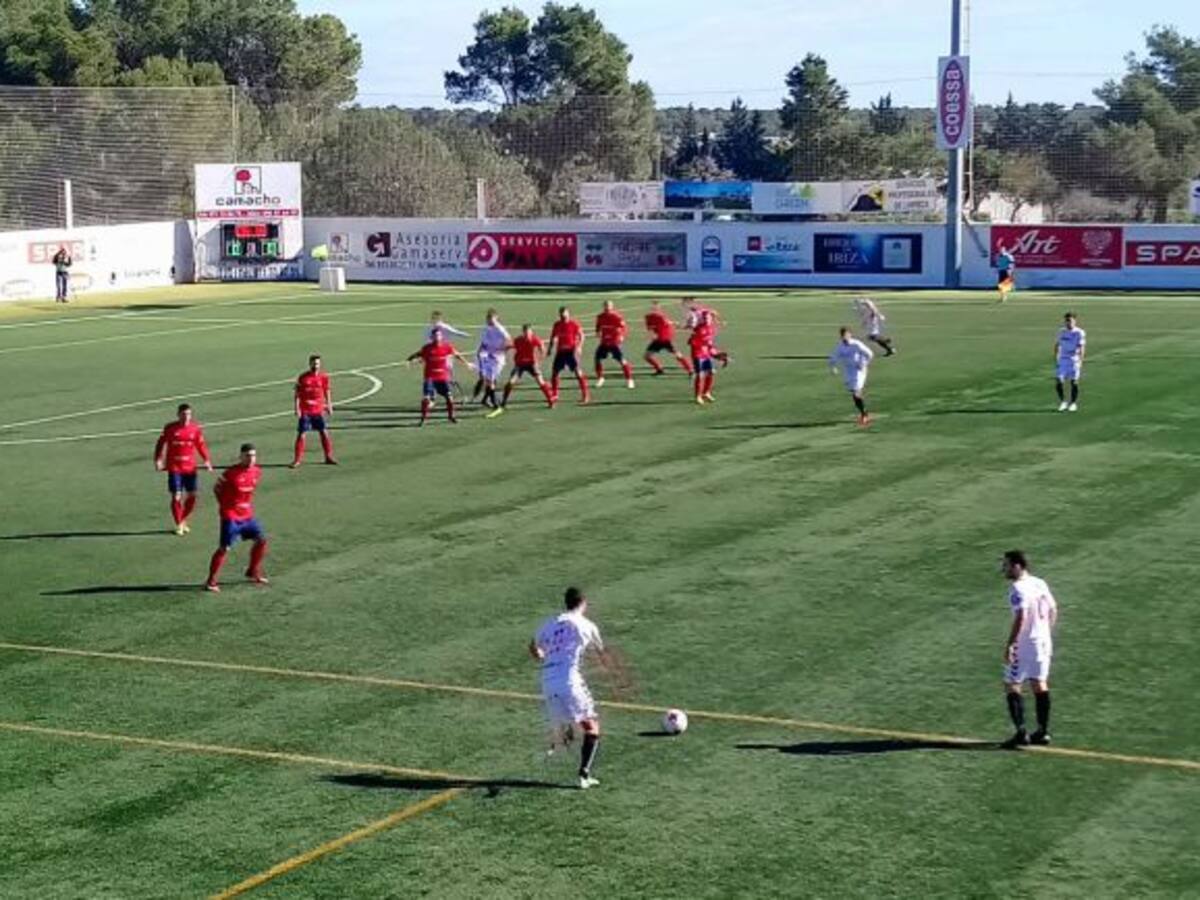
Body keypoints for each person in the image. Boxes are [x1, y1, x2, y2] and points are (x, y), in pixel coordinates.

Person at [529, 587, 612, 790]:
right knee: (593, 728)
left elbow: (533, 645)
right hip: (570, 681)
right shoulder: (587, 625)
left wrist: (540, 654)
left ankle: (560, 738)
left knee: (573, 724)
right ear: (583, 603)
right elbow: (602, 653)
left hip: (548, 681)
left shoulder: (551, 623)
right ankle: (584, 774)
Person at [1000, 550, 1058, 747]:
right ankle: (1042, 732)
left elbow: (1021, 617)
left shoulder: (1018, 588)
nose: (1003, 569)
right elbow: (1053, 609)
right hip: (1043, 642)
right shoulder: (1039, 582)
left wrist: (1010, 644)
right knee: (1039, 683)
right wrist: (1045, 632)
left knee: (1012, 684)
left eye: (1006, 565)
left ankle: (1021, 732)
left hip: (1025, 644)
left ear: (1018, 566)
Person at [206, 443, 268, 592]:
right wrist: (225, 506)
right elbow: (217, 489)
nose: (251, 459)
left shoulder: (257, 472)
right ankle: (211, 581)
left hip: (247, 515)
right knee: (224, 548)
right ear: (241, 456)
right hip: (231, 516)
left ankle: (252, 571)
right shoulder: (230, 473)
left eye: (253, 455)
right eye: (248, 456)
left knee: (262, 540)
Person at [153, 403, 213, 536]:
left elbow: (201, 445)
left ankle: (183, 519)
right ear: (178, 415)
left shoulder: (195, 428)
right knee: (177, 496)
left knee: (192, 495)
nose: (186, 417)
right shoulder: (170, 428)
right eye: (184, 414)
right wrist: (158, 459)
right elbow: (160, 444)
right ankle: (179, 523)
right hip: (174, 467)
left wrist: (207, 460)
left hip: (190, 468)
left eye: (189, 414)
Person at [406, 328, 474, 425]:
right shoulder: (427, 348)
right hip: (430, 377)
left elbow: (457, 354)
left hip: (442, 376)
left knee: (449, 397)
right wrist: (409, 360)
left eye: (439, 335)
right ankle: (423, 419)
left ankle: (451, 417)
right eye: (435, 335)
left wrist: (467, 363)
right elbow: (417, 354)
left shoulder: (447, 347)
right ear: (432, 337)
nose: (437, 337)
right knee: (426, 398)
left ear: (441, 336)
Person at [490, 323, 556, 417]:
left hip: (532, 364)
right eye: (525, 332)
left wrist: (540, 358)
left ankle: (550, 400)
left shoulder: (534, 339)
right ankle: (503, 402)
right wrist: (501, 349)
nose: (526, 334)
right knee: (510, 382)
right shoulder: (519, 340)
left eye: (528, 332)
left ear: (531, 332)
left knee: (541, 382)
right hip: (520, 365)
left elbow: (542, 347)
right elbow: (510, 346)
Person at [291, 354, 337, 468]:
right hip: (305, 410)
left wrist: (329, 405)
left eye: (317, 363)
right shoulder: (303, 377)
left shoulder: (324, 377)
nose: (315, 365)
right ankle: (297, 460)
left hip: (318, 410)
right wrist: (297, 407)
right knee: (302, 434)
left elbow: (327, 391)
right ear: (309, 364)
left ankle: (328, 456)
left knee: (324, 432)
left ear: (320, 364)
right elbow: (297, 393)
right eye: (313, 363)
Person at [828, 327, 875, 426]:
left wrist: (864, 364)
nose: (844, 337)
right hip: (848, 372)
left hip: (859, 371)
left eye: (846, 335)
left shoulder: (856, 344)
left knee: (856, 393)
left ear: (850, 334)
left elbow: (870, 354)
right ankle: (864, 413)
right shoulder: (840, 347)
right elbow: (833, 358)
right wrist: (833, 368)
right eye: (842, 335)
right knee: (854, 393)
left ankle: (864, 415)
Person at [547, 306, 591, 404]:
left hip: (571, 351)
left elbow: (582, 335)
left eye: (565, 314)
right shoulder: (557, 325)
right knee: (555, 373)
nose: (563, 316)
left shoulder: (574, 324)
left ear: (568, 313)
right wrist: (550, 348)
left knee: (578, 373)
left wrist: (579, 346)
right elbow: (553, 337)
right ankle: (555, 394)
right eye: (561, 314)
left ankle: (585, 395)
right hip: (560, 352)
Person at [473, 308, 511, 409]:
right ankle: (492, 402)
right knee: (490, 380)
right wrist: (480, 351)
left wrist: (502, 349)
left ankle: (489, 400)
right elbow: (484, 343)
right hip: (489, 357)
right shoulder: (486, 329)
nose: (489, 321)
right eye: (488, 319)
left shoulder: (500, 329)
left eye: (491, 319)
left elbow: (509, 342)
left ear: (496, 318)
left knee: (491, 380)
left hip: (498, 359)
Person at [593, 300, 635, 389]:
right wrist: (597, 332)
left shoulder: (616, 317)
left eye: (608, 306)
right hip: (604, 342)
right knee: (597, 359)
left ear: (612, 307)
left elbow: (624, 327)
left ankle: (629, 380)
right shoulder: (600, 317)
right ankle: (600, 378)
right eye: (605, 306)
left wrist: (622, 336)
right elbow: (598, 326)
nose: (607, 307)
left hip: (614, 342)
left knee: (622, 361)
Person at [644, 300, 692, 376]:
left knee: (648, 356)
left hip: (663, 340)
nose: (655, 310)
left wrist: (673, 325)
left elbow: (652, 327)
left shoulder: (656, 317)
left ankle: (689, 370)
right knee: (647, 356)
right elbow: (652, 328)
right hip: (661, 340)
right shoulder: (654, 317)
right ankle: (689, 370)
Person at [682, 297, 730, 367]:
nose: (684, 305)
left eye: (685, 303)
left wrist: (682, 327)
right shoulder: (704, 309)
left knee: (700, 348)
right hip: (710, 331)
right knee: (709, 347)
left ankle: (704, 365)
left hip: (701, 333)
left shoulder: (694, 313)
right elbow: (714, 312)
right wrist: (719, 321)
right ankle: (722, 358)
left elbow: (692, 325)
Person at [1054, 312, 1087, 413]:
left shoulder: (1079, 332)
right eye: (1067, 321)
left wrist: (1081, 361)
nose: (1068, 323)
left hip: (1074, 360)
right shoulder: (1061, 332)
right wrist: (1057, 358)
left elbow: (1082, 347)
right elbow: (1057, 346)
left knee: (1074, 382)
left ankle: (1073, 403)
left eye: (1070, 321)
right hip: (1063, 359)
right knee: (1059, 381)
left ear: (1075, 321)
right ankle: (1063, 402)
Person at [689, 310, 717, 404]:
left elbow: (710, 344)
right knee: (700, 375)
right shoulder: (698, 329)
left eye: (708, 317)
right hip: (697, 354)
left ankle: (706, 393)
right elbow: (691, 342)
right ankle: (698, 396)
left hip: (706, 354)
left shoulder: (712, 328)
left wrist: (716, 354)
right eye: (705, 318)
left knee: (711, 372)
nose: (707, 319)